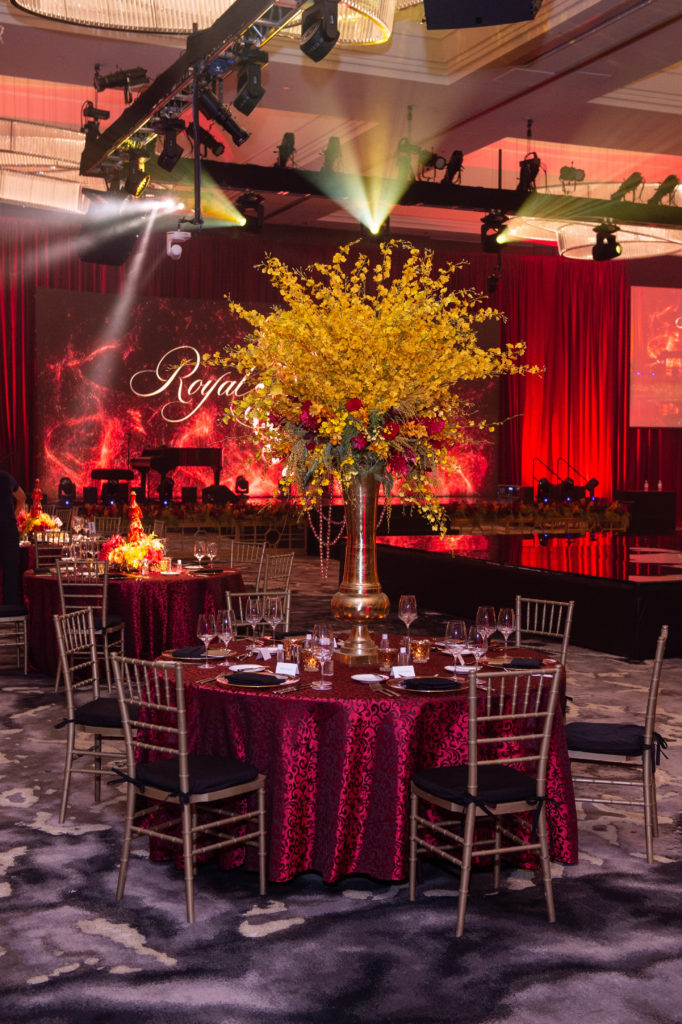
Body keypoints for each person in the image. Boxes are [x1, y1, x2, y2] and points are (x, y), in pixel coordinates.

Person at [0, 470, 26, 605]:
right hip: (8, 528)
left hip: (8, 528)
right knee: (11, 571)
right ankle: (10, 607)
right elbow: (22, 497)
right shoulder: (6, 477)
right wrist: (14, 515)